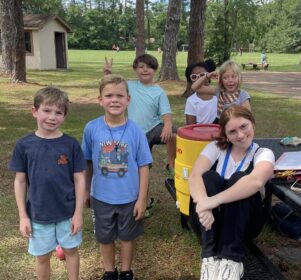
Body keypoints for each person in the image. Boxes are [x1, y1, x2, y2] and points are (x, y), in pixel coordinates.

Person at [188, 105, 275, 280]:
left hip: (244, 223)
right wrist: (203, 204)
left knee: (240, 179)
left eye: (244, 126)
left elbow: (256, 181)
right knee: (209, 177)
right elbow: (194, 175)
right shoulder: (215, 148)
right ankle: (209, 258)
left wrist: (213, 201)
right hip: (209, 221)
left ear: (252, 123)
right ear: (225, 135)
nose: (240, 135)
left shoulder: (263, 153)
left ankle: (231, 260)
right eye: (233, 131)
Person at [9, 86, 86, 280]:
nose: (52, 117)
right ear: (35, 111)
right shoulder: (24, 145)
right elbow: (20, 181)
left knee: (70, 251)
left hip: (67, 213)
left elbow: (80, 179)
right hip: (38, 214)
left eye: (58, 112)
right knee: (42, 256)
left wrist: (78, 214)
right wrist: (23, 216)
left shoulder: (71, 145)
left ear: (64, 117)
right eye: (47, 110)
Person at [82, 75, 152, 280]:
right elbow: (87, 162)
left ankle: (127, 270)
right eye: (109, 95)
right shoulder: (91, 128)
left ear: (128, 100)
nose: (115, 100)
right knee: (105, 236)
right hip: (101, 197)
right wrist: (86, 190)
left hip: (130, 197)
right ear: (100, 100)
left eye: (120, 95)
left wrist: (141, 198)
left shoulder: (137, 131)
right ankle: (109, 271)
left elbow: (144, 166)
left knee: (128, 236)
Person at [103, 54, 177, 176]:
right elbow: (111, 86)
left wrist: (167, 125)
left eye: (149, 67)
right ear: (135, 69)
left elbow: (166, 112)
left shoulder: (159, 91)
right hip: (135, 132)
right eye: (141, 67)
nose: (145, 70)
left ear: (155, 70)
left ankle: (171, 166)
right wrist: (107, 73)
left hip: (154, 128)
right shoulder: (129, 86)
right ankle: (140, 192)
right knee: (142, 168)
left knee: (176, 134)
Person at [184, 59, 218, 125]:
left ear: (209, 76)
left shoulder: (218, 96)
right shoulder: (191, 101)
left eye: (202, 75)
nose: (199, 79)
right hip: (199, 134)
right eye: (194, 77)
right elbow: (190, 127)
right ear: (190, 81)